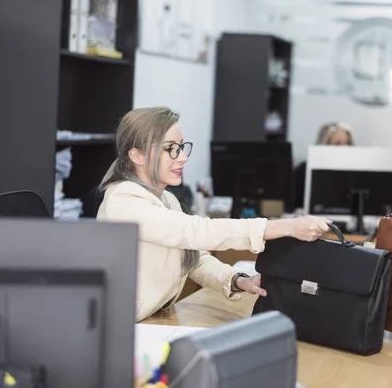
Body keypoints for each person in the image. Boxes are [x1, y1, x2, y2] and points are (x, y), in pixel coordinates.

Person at [96, 107, 331, 322]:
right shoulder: (123, 202)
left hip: (152, 318)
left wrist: (237, 281)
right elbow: (194, 232)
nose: (182, 157)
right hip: (120, 326)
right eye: (170, 149)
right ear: (137, 156)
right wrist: (287, 227)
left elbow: (191, 257)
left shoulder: (166, 199)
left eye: (181, 147)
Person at [293, 122, 355, 211]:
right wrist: (297, 210)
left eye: (347, 142)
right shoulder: (304, 169)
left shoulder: (355, 171)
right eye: (337, 143)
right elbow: (292, 203)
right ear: (325, 144)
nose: (344, 147)